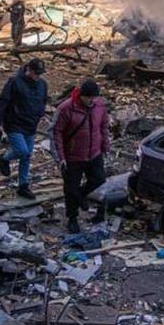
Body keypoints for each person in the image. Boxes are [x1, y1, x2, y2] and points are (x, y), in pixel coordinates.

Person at [50, 78, 110, 233]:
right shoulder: (65, 109)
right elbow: (56, 133)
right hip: (73, 156)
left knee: (99, 182)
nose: (91, 100)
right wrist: (60, 158)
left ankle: (91, 205)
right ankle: (72, 218)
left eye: (94, 97)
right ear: (81, 95)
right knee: (70, 189)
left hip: (94, 153)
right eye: (88, 97)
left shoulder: (100, 106)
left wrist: (105, 145)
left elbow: (103, 126)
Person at [0, 58, 49, 199]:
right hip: (15, 123)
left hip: (31, 124)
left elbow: (43, 100)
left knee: (27, 156)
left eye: (40, 74)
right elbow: (3, 101)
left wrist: (41, 114)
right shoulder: (14, 82)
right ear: (28, 70)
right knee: (22, 150)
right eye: (36, 73)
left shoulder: (42, 84)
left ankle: (23, 185)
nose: (38, 76)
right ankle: (4, 158)